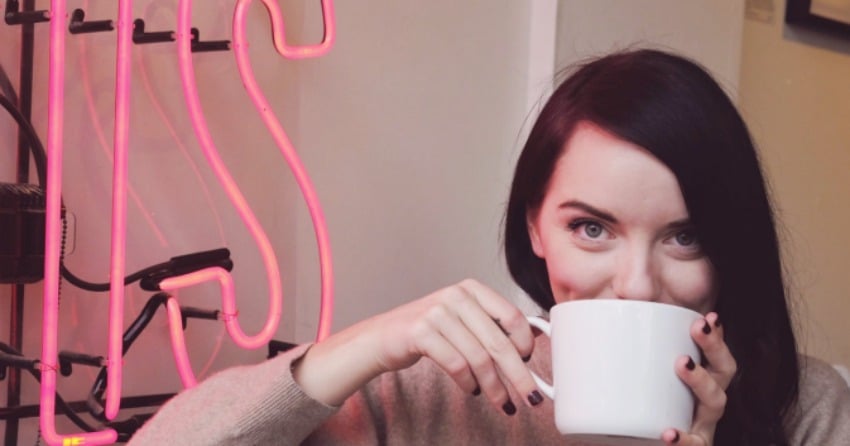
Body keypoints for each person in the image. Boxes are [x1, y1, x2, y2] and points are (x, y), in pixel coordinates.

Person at [128, 48, 850, 445]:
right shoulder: (437, 387)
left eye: (685, 237)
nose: (635, 283)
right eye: (590, 228)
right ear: (535, 226)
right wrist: (366, 345)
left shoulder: (805, 407)